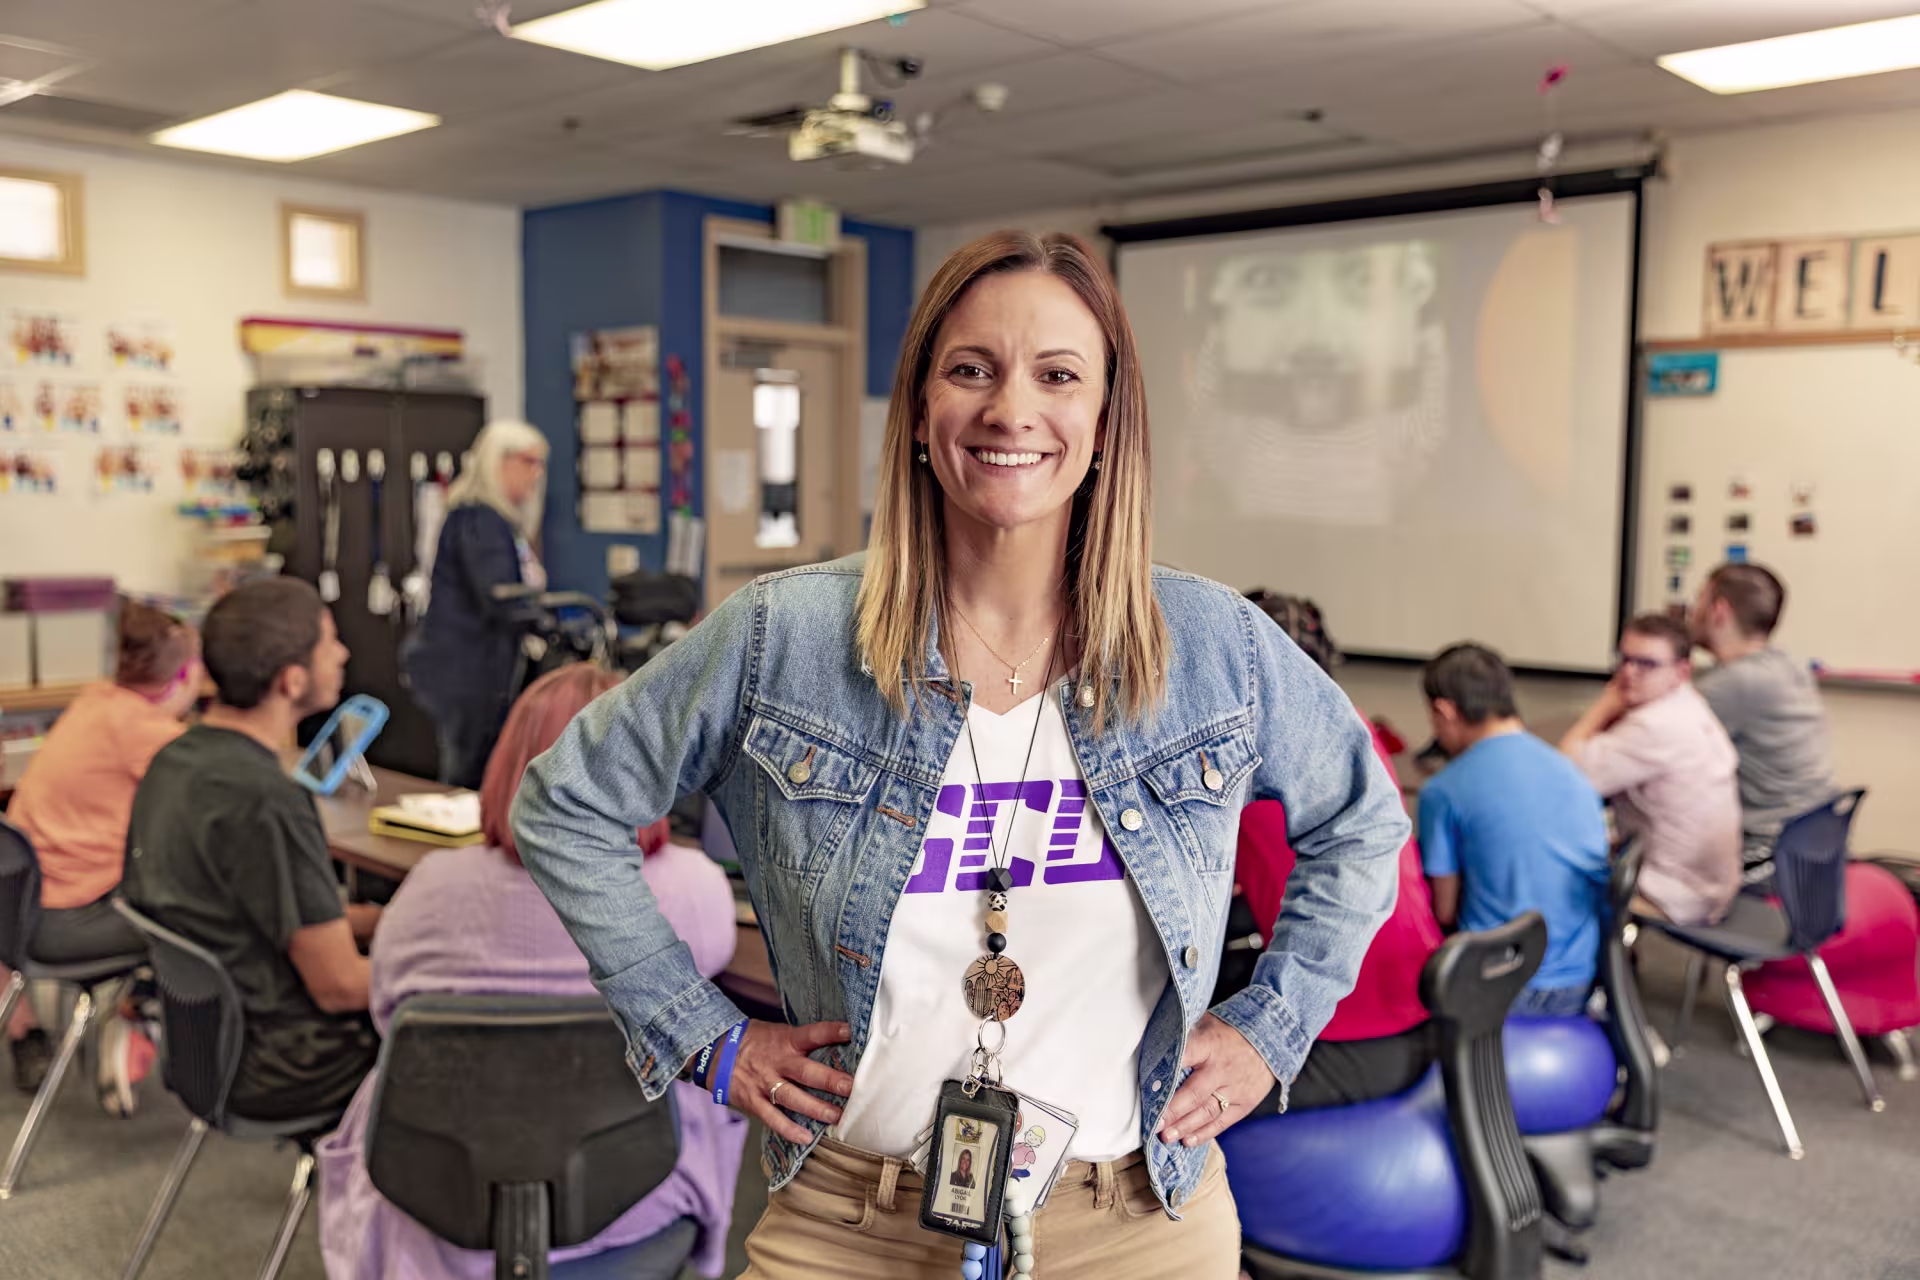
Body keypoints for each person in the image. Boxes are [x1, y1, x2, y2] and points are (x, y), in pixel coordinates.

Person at [514, 231, 1407, 1280]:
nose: (1011, 409)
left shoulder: (1215, 647)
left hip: (1135, 1218)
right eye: (971, 369)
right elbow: (563, 802)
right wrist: (700, 1032)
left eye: (1059, 375)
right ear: (921, 413)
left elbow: (1363, 819)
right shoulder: (783, 638)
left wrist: (1275, 1022)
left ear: (1107, 420)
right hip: (849, 1220)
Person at [317, 664, 746, 1279]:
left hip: (435, 1209)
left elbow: (389, 1017)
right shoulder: (698, 890)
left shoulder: (429, 888)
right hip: (637, 1196)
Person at [123, 578, 380, 1121]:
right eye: (329, 641)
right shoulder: (270, 801)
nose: (343, 653)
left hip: (205, 1047)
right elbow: (339, 987)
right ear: (291, 681)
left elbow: (259, 917)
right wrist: (450, 966)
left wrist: (384, 922)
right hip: (286, 1062)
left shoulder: (175, 761)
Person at [1229, 592, 1443, 1113]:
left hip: (1355, 1039)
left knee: (1155, 1100)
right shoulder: (1354, 730)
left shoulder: (1243, 753)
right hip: (1428, 1005)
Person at [4, 600, 201, 1110]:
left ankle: (131, 1009)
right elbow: (212, 794)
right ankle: (140, 1012)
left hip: (16, 911)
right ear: (183, 674)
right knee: (201, 913)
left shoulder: (95, 700)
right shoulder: (144, 730)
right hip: (65, 919)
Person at [1419, 643, 1609, 1017]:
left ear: (1445, 711)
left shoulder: (1443, 790)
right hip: (1581, 979)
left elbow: (1443, 910)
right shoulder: (1570, 771)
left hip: (1504, 990)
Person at [1560, 613, 1743, 925]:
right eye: (1625, 659)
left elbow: (1562, 778)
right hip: (1714, 884)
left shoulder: (1656, 726)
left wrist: (1604, 704)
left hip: (1676, 893)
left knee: (1553, 867)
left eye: (1647, 664)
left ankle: (1590, 970)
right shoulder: (1688, 703)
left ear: (1681, 671)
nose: (1628, 673)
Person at [404, 419, 550, 790]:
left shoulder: (495, 519)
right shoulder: (479, 519)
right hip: (465, 676)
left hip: (480, 672)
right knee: (466, 780)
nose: (537, 474)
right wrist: (551, 622)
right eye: (529, 462)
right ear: (498, 463)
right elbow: (500, 596)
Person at [1688, 563, 1836, 882]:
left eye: (1699, 599)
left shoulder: (1734, 683)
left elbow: (1649, 744)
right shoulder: (1787, 666)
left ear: (1719, 610)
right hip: (1814, 847)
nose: (1691, 610)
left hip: (1767, 854)